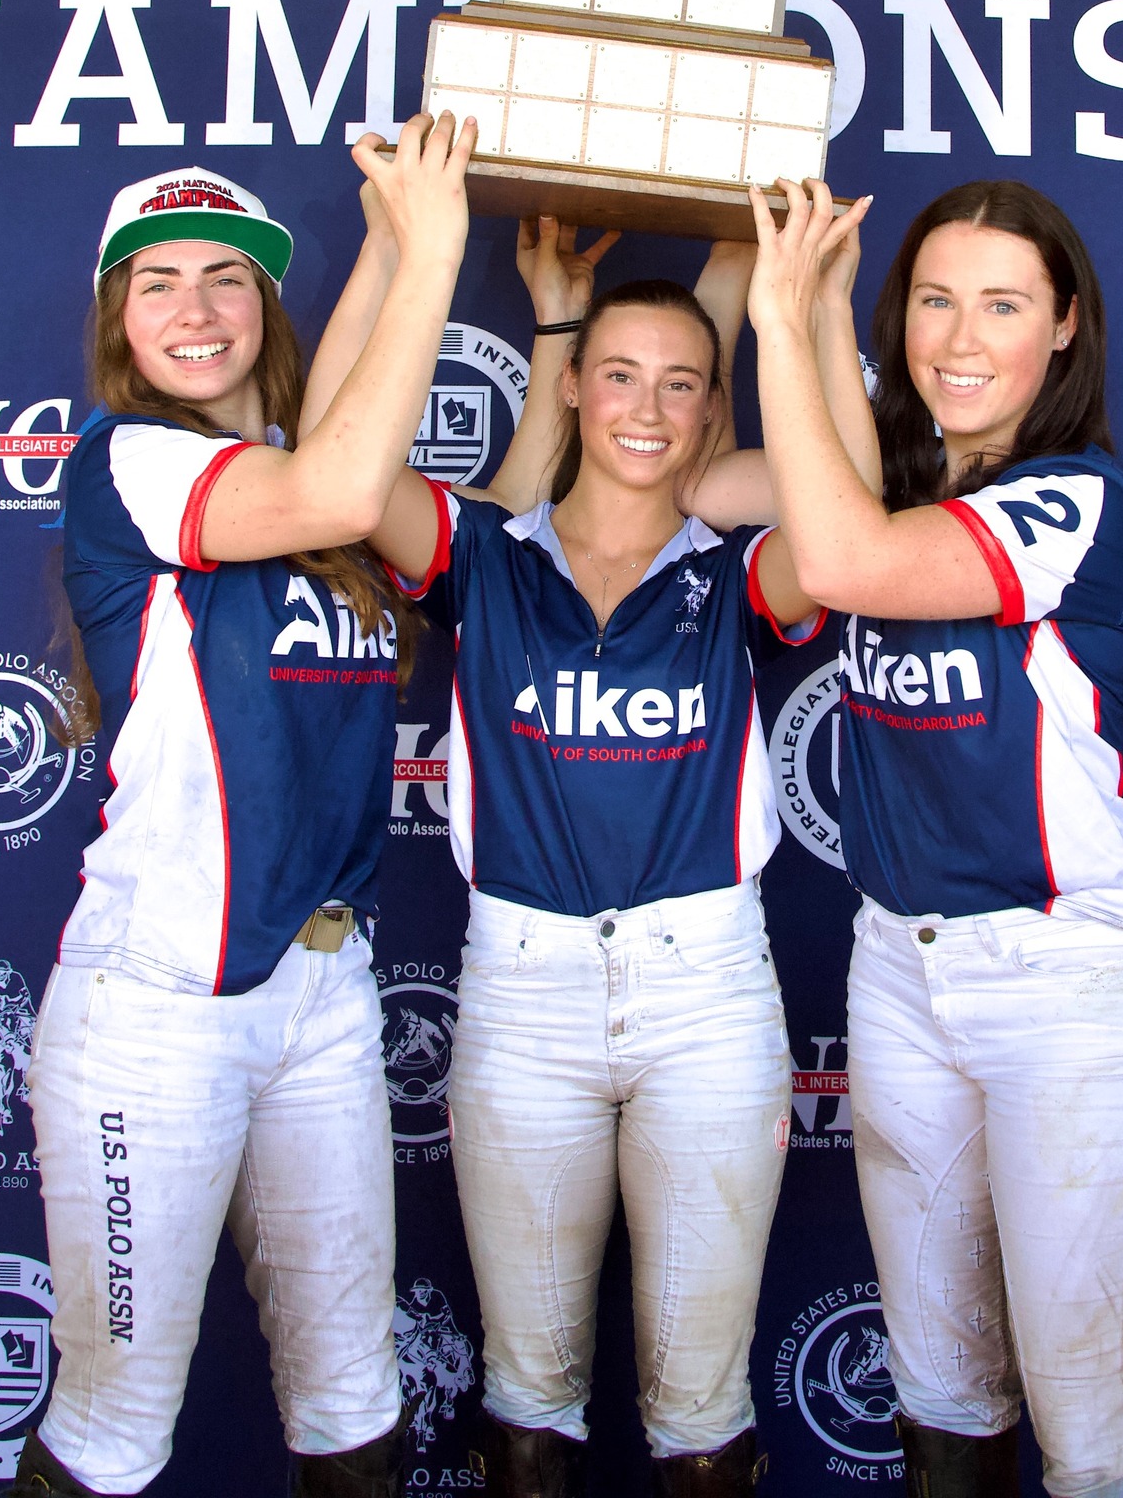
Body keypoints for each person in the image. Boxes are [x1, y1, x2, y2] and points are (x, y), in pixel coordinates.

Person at [8, 118, 473, 1498]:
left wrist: (391, 238)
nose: (198, 309)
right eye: (158, 283)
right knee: (111, 1432)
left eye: (229, 278)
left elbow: (329, 448)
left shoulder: (291, 477)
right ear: (116, 320)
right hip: (158, 1004)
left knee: (355, 1409)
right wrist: (438, 249)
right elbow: (334, 471)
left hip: (320, 998)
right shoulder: (130, 463)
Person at [730, 176, 1123, 1498]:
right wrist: (813, 306)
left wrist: (784, 319)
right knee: (940, 1392)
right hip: (900, 963)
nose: (957, 335)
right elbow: (723, 488)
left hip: (1070, 978)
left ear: (1061, 330)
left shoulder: (1077, 498)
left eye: (1001, 303)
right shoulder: (890, 481)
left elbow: (848, 563)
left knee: (1099, 1440)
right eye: (931, 298)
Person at [359, 250, 854, 1498]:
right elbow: (347, 476)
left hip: (707, 995)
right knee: (527, 1395)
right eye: (619, 375)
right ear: (570, 384)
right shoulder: (480, 553)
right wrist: (427, 250)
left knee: (700, 1403)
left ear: (711, 410)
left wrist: (789, 297)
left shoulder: (736, 570)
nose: (645, 407)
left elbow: (854, 520)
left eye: (681, 384)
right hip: (522, 995)